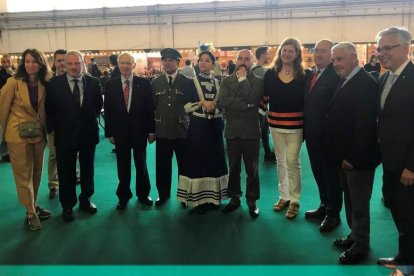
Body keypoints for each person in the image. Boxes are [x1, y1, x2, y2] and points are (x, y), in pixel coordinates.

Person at [328, 42, 378, 265]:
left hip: (357, 159)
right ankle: (354, 235)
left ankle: (361, 246)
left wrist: (353, 158)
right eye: (334, 59)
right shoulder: (347, 79)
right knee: (349, 198)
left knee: (358, 203)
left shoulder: (365, 83)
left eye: (340, 59)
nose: (336, 63)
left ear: (354, 59)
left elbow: (365, 126)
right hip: (344, 156)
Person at [45, 50, 103, 222]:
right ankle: (67, 205)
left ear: (82, 63)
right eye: (69, 63)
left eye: (77, 63)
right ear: (64, 65)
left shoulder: (93, 82)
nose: (73, 67)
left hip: (88, 134)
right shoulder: (54, 84)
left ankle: (86, 200)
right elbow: (50, 109)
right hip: (64, 135)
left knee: (87, 170)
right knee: (66, 172)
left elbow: (98, 105)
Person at [0, 48, 53, 231]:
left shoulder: (45, 83)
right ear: (23, 63)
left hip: (38, 134)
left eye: (35, 61)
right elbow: (2, 110)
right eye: (27, 61)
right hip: (17, 135)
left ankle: (33, 204)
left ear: (41, 64)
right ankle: (30, 213)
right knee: (23, 175)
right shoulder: (12, 82)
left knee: (37, 172)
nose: (31, 65)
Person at [376, 26, 414, 267]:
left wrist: (412, 166)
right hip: (390, 161)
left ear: (406, 48)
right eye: (380, 49)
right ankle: (405, 257)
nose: (381, 53)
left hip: (407, 165)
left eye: (388, 48)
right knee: (400, 212)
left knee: (410, 216)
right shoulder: (384, 78)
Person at [177, 50, 228, 214]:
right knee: (198, 159)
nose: (203, 63)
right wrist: (201, 103)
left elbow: (223, 104)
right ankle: (198, 199)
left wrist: (216, 107)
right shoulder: (191, 82)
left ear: (213, 64)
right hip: (198, 126)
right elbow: (185, 106)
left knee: (214, 158)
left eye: (207, 60)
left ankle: (213, 198)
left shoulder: (219, 82)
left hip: (215, 126)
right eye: (201, 60)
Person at [104, 53, 155, 210]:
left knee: (141, 164)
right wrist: (110, 132)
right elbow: (108, 111)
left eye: (128, 63)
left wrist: (151, 131)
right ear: (118, 65)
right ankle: (123, 196)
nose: (125, 66)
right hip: (120, 133)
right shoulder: (111, 85)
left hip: (139, 131)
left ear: (133, 65)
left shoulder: (144, 83)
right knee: (123, 165)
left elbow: (149, 109)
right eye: (122, 63)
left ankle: (143, 194)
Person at [264, 37, 307, 219]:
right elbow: (264, 98)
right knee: (280, 161)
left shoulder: (305, 74)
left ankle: (295, 200)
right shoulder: (270, 73)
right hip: (275, 125)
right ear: (280, 52)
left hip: (296, 126)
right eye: (284, 50)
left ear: (297, 54)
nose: (287, 53)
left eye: (291, 51)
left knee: (292, 162)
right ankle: (284, 196)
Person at [218, 49, 263, 218]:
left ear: (252, 61)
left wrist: (243, 80)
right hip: (232, 131)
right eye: (240, 59)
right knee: (234, 167)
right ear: (235, 61)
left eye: (247, 59)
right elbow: (223, 102)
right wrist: (246, 104)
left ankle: (252, 200)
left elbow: (253, 98)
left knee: (252, 169)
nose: (243, 62)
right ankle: (234, 198)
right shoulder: (226, 80)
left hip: (251, 131)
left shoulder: (258, 81)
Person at [303, 39, 342, 232]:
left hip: (329, 138)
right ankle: (324, 205)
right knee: (319, 173)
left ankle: (333, 214)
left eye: (323, 51)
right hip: (312, 136)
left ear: (332, 54)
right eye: (316, 51)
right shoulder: (311, 74)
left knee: (331, 176)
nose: (318, 54)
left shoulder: (336, 75)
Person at [151, 48, 192, 206]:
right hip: (162, 131)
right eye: (165, 60)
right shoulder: (155, 82)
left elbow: (192, 106)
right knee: (162, 166)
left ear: (178, 62)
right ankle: (163, 194)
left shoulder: (187, 82)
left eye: (171, 60)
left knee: (185, 166)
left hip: (182, 130)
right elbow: (152, 107)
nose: (167, 63)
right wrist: (151, 130)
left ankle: (184, 195)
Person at [46, 49, 67, 199]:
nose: (62, 63)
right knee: (54, 154)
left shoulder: (76, 79)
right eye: (59, 60)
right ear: (54, 62)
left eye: (64, 60)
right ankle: (53, 184)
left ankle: (72, 176)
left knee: (74, 154)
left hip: (72, 126)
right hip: (53, 125)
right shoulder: (48, 82)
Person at [253, 46, 276, 162]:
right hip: (258, 107)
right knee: (259, 133)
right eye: (267, 53)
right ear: (263, 55)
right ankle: (265, 154)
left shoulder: (258, 69)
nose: (269, 56)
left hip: (260, 107)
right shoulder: (260, 70)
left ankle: (267, 153)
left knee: (263, 131)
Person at [0, 54, 15, 163]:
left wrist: (13, 74)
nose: (6, 64)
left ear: (11, 62)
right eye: (4, 62)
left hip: (13, 107)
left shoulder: (17, 74)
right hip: (2, 105)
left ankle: (6, 154)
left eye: (8, 61)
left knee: (9, 132)